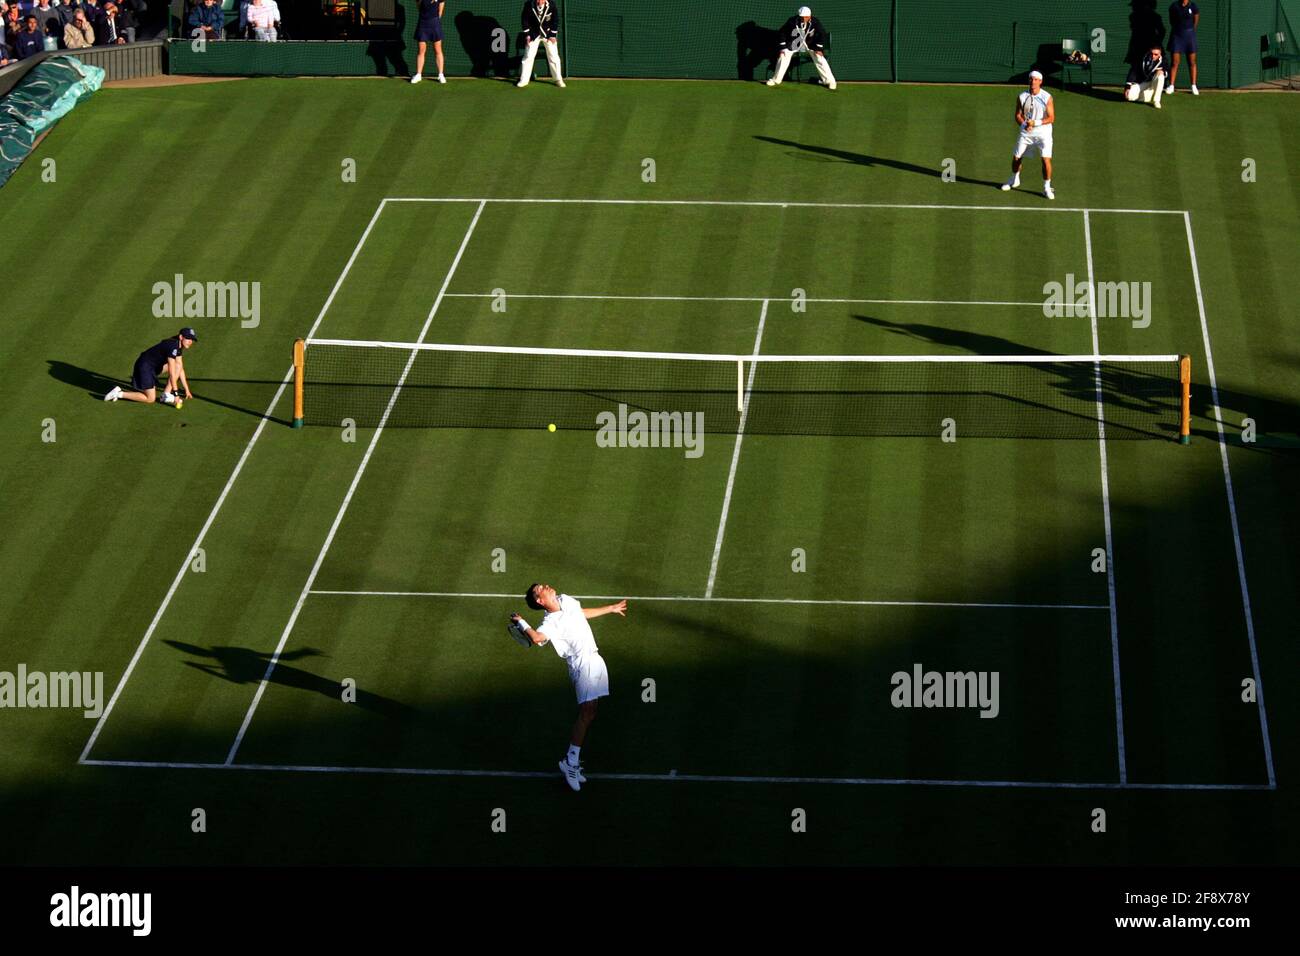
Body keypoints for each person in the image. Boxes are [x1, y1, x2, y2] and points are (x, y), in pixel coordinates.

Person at [510, 584, 626, 791]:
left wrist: (610, 609)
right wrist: (521, 622)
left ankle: (571, 759)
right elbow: (537, 638)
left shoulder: (566, 599)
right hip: (581, 665)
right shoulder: (550, 623)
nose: (546, 586)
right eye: (541, 589)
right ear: (540, 601)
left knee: (590, 712)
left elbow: (580, 614)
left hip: (594, 658)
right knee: (587, 712)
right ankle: (571, 762)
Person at [103, 328, 198, 408]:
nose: (191, 342)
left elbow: (180, 367)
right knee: (150, 399)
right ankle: (118, 393)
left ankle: (166, 394)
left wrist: (187, 389)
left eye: (192, 339)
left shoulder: (178, 346)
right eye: (188, 338)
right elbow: (172, 373)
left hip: (153, 366)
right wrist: (176, 394)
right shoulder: (172, 347)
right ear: (181, 337)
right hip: (144, 367)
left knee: (178, 366)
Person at [1001, 69, 1055, 200]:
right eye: (1031, 79)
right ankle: (1014, 179)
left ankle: (1046, 188)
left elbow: (1051, 118)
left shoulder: (1047, 97)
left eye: (1036, 80)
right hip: (1026, 133)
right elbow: (1018, 115)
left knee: (1045, 160)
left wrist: (1035, 122)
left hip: (1044, 133)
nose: (1033, 82)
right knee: (1016, 157)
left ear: (1040, 82)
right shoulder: (1022, 97)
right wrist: (1025, 125)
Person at [766, 5, 836, 91]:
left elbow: (822, 34)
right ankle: (775, 80)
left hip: (810, 44)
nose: (804, 19)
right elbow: (782, 32)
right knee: (783, 56)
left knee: (820, 58)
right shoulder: (792, 21)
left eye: (806, 17)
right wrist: (783, 48)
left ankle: (830, 81)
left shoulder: (815, 22)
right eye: (802, 17)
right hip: (794, 43)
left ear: (810, 16)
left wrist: (818, 49)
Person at [516, 0, 564, 89]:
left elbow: (555, 20)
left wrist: (553, 35)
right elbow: (524, 20)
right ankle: (524, 80)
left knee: (554, 56)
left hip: (548, 34)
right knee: (528, 56)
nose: (539, 1)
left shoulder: (552, 4)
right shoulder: (529, 4)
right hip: (534, 34)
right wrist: (527, 35)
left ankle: (558, 79)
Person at [1167, 0, 1199, 95]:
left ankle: (1193, 86)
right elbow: (1171, 21)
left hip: (1190, 36)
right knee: (1174, 62)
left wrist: (1190, 31)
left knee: (1192, 62)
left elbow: (1196, 20)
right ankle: (1171, 86)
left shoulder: (1193, 6)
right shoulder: (1174, 6)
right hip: (1177, 35)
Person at [410, 0, 444, 84]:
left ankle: (441, 75)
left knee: (438, 49)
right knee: (421, 50)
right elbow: (418, 5)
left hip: (435, 22)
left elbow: (442, 4)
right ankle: (418, 75)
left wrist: (437, 18)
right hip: (423, 22)